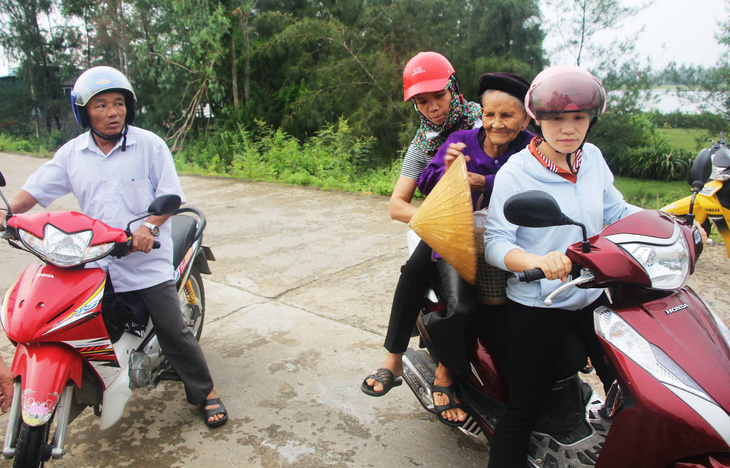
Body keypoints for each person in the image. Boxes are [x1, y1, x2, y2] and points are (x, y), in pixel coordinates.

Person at [0, 66, 227, 428]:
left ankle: (204, 392)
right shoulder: (73, 154)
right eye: (101, 105)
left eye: (119, 103)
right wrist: (6, 211)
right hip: (96, 260)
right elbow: (35, 192)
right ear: (84, 112)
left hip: (144, 259)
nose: (112, 112)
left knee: (173, 330)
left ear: (128, 107)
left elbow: (171, 198)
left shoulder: (149, 145)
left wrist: (149, 227)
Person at [483, 65, 640, 467]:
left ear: (590, 119)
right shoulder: (517, 172)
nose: (567, 128)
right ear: (538, 119)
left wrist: (672, 222)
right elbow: (496, 243)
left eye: (578, 118)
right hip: (539, 304)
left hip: (590, 294)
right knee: (524, 409)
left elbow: (616, 211)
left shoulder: (592, 160)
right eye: (556, 118)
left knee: (634, 388)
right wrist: (537, 259)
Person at [361, 52, 481, 424]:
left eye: (438, 97)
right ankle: (400, 361)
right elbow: (397, 205)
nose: (432, 109)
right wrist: (445, 221)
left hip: (498, 224)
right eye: (422, 102)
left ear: (454, 88)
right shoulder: (423, 142)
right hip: (450, 228)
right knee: (415, 270)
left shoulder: (486, 121)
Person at [414, 72, 534, 421]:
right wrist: (446, 171)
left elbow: (537, 185)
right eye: (489, 114)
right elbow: (424, 185)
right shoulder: (461, 139)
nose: (496, 124)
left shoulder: (533, 148)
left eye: (507, 116)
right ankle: (445, 371)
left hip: (510, 245)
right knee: (463, 309)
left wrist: (487, 182)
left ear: (526, 118)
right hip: (458, 241)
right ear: (480, 113)